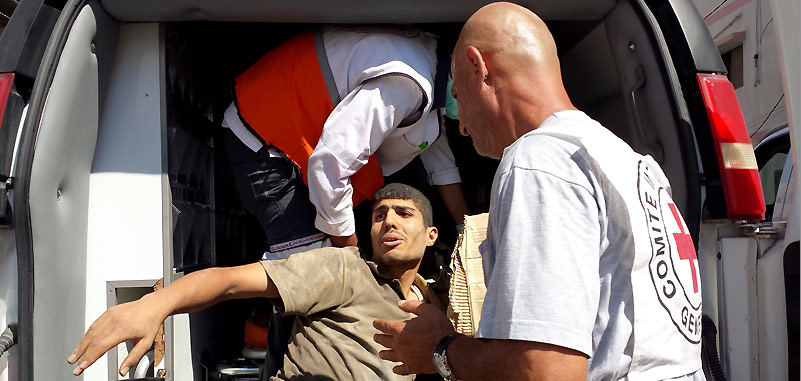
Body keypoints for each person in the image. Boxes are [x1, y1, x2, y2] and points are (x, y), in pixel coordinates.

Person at [373, 3, 705, 381]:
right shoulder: (625, 159)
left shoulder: (538, 160)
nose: (461, 125)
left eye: (457, 93)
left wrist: (439, 350)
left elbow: (544, 371)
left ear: (478, 67)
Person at [68, 183, 443, 380]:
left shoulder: (438, 305)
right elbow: (231, 281)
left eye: (404, 213)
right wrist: (155, 304)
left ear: (431, 235)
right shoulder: (343, 269)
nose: (389, 221)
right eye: (380, 215)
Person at [223, 24, 468, 256]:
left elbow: (440, 161)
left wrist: (466, 232)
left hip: (296, 141)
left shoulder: (432, 63)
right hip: (265, 139)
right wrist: (350, 258)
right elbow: (329, 166)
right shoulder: (407, 85)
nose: (467, 129)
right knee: (310, 275)